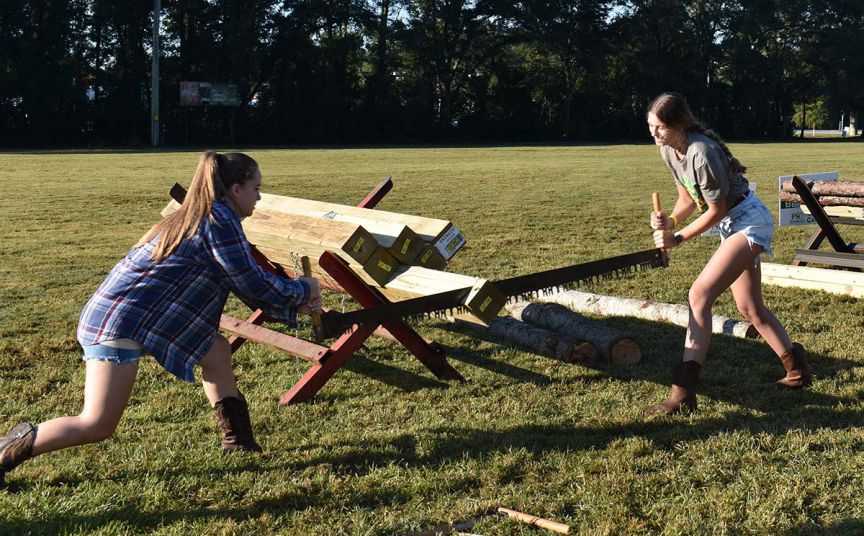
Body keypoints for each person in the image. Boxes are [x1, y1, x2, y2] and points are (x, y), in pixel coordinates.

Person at [0, 151, 322, 486]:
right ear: (236, 189)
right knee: (97, 423)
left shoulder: (201, 213)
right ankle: (3, 454)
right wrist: (303, 289)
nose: (259, 196)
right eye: (256, 187)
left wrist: (293, 298)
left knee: (216, 351)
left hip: (131, 316)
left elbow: (240, 281)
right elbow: (250, 281)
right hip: (119, 323)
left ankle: (237, 443)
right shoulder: (219, 220)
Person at [645, 92, 811, 415]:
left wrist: (678, 237)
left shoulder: (701, 152)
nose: (654, 134)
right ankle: (798, 371)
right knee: (750, 308)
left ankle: (683, 393)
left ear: (678, 124)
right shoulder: (670, 150)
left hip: (748, 222)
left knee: (699, 295)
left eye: (660, 128)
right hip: (731, 224)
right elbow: (689, 199)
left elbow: (717, 210)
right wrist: (672, 220)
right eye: (650, 127)